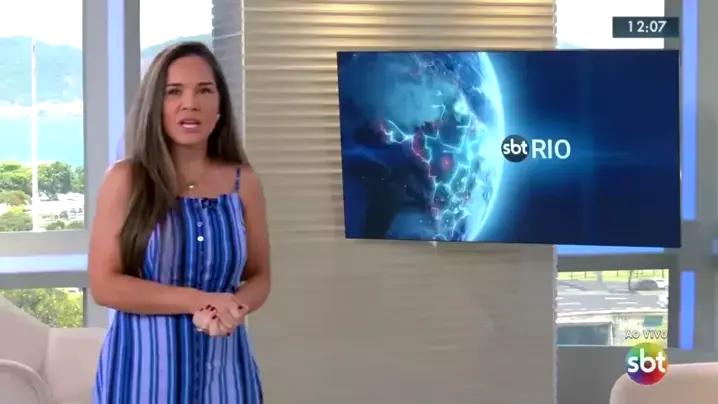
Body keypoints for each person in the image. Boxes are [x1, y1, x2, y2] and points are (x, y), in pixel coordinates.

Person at [89, 41, 270, 403]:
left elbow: (260, 277)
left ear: (220, 106)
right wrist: (197, 301)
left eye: (204, 90)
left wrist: (232, 308)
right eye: (174, 92)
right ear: (155, 105)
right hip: (141, 379)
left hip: (227, 379)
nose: (191, 104)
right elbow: (104, 285)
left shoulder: (243, 182)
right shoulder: (125, 180)